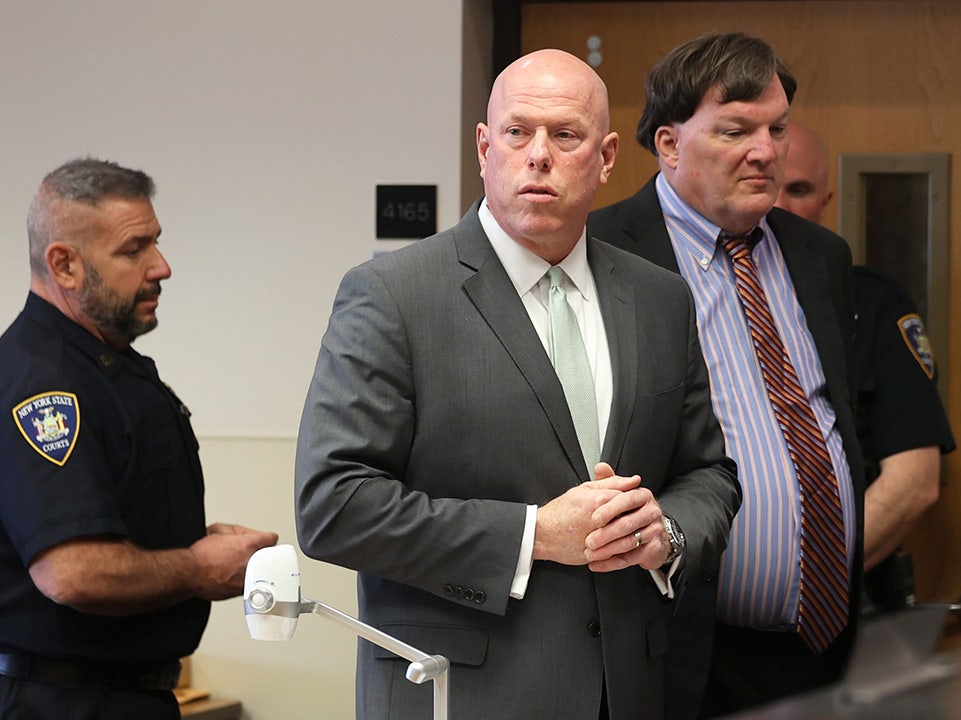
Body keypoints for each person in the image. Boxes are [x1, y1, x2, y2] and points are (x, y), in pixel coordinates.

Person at [294, 49, 739, 720]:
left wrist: (667, 534)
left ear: (607, 155)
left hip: (628, 693)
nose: (539, 155)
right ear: (483, 147)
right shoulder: (394, 295)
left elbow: (709, 473)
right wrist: (532, 535)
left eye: (565, 136)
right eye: (517, 132)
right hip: (460, 693)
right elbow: (334, 505)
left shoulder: (659, 299)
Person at [589, 33, 864, 717]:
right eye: (736, 130)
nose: (766, 150)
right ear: (670, 144)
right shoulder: (601, 255)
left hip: (828, 643)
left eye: (776, 128)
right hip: (684, 649)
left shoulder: (819, 254)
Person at [0, 158, 279, 720]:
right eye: (134, 251)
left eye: (156, 243)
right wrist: (200, 567)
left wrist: (189, 542)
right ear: (65, 265)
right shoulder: (42, 386)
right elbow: (74, 572)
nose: (162, 267)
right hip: (58, 701)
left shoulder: (102, 368)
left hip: (117, 694)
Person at [775, 122, 956, 614]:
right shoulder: (681, 296)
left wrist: (811, 580)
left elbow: (914, 481)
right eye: (771, 187)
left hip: (846, 600)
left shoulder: (872, 303)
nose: (780, 207)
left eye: (800, 190)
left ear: (825, 200)